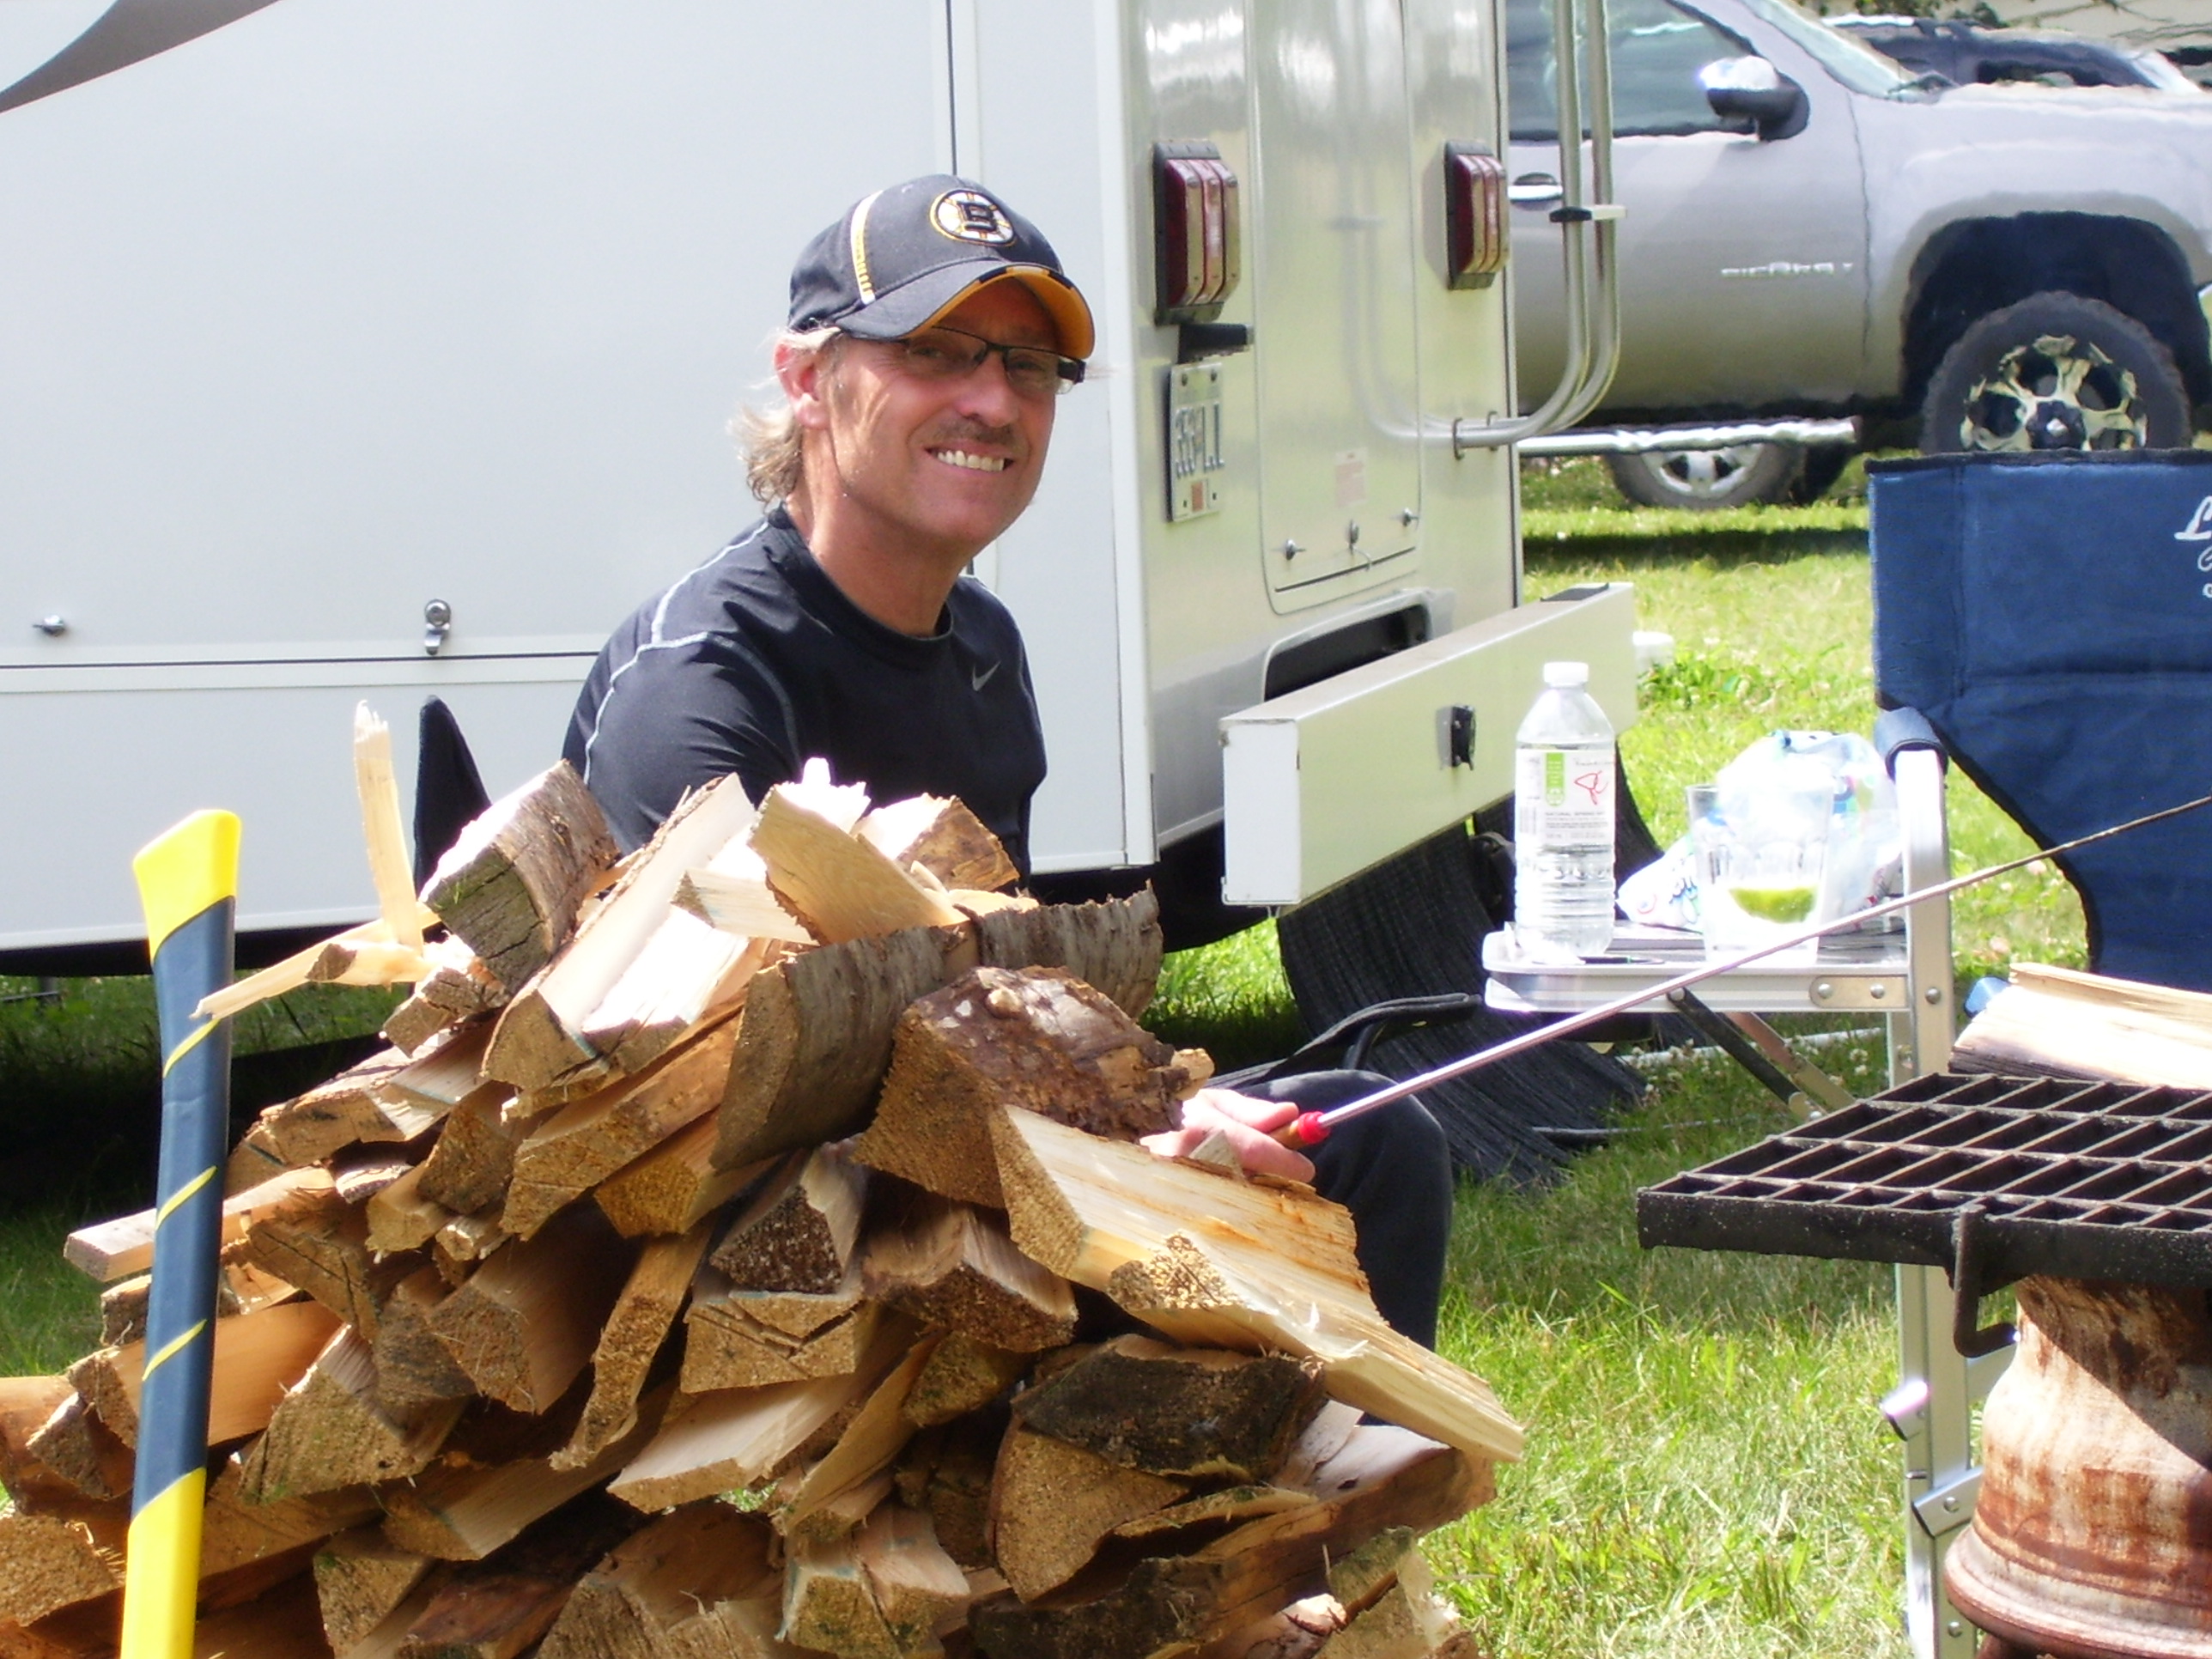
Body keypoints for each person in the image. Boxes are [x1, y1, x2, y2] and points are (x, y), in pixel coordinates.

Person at [565, 176, 1452, 1346]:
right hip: (766, 1242)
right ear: (806, 380)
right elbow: (725, 1099)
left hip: (964, 1155)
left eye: (1028, 369)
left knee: (1371, 1139)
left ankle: (1321, 1519)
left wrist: (1152, 1123)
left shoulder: (981, 643)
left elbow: (983, 996)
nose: (992, 401)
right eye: (937, 352)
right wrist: (1118, 1162)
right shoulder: (706, 691)